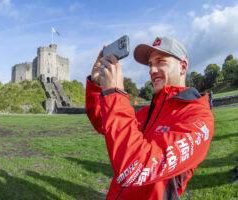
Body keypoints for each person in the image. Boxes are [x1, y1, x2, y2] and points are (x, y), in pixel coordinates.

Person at [85, 36, 214, 200]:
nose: (152, 70)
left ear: (183, 66)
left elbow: (135, 168)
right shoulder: (149, 111)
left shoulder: (198, 118)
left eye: (160, 61)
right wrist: (97, 86)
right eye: (150, 64)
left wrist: (115, 94)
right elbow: (103, 123)